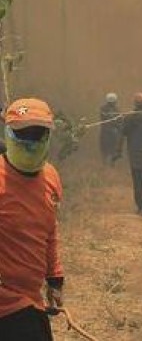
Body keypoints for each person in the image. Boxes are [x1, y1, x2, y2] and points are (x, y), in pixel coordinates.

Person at [0, 98, 64, 340]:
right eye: (23, 133)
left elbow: (49, 232)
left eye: (38, 133)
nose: (30, 141)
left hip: (31, 300)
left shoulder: (51, 178)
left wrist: (55, 279)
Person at [98, 92, 121, 165]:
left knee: (111, 149)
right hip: (107, 132)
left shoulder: (116, 110)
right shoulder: (103, 109)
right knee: (106, 149)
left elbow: (119, 121)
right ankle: (105, 163)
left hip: (111, 132)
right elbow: (104, 117)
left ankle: (111, 163)